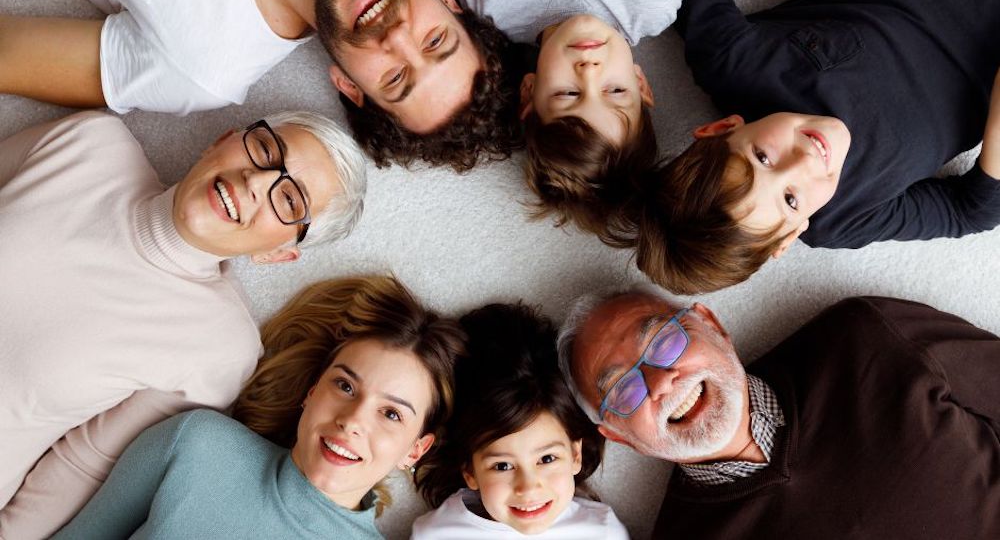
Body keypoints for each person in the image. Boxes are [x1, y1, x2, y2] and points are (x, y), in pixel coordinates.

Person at [0, 110, 366, 538]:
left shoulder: (218, 347)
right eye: (265, 149)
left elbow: (77, 467)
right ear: (223, 139)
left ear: (277, 254)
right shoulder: (88, 141)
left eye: (288, 202)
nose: (256, 181)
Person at [632, 0, 1000, 294]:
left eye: (763, 157)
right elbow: (971, 212)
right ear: (790, 237)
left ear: (722, 128)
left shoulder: (736, 64)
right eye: (791, 200)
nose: (804, 161)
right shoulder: (843, 220)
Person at [441, 0, 869, 236]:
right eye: (614, 91)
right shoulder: (656, 3)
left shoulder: (495, 2)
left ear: (528, 92)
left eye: (568, 94)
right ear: (641, 83)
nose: (588, 69)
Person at [0, 0, 520, 170]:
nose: (397, 38)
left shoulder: (203, 67)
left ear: (350, 87)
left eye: (396, 78)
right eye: (435, 41)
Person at [556, 286, 1000, 538]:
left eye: (663, 343)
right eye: (623, 388)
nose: (660, 381)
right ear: (618, 437)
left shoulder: (865, 338)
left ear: (712, 325)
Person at [51, 275, 466, 539]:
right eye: (344, 385)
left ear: (415, 450)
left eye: (391, 414)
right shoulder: (197, 444)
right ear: (311, 391)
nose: (353, 420)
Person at [412, 303, 627, 539]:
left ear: (576, 455)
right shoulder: (436, 535)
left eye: (547, 459)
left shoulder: (602, 531)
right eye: (502, 466)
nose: (528, 487)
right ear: (470, 471)